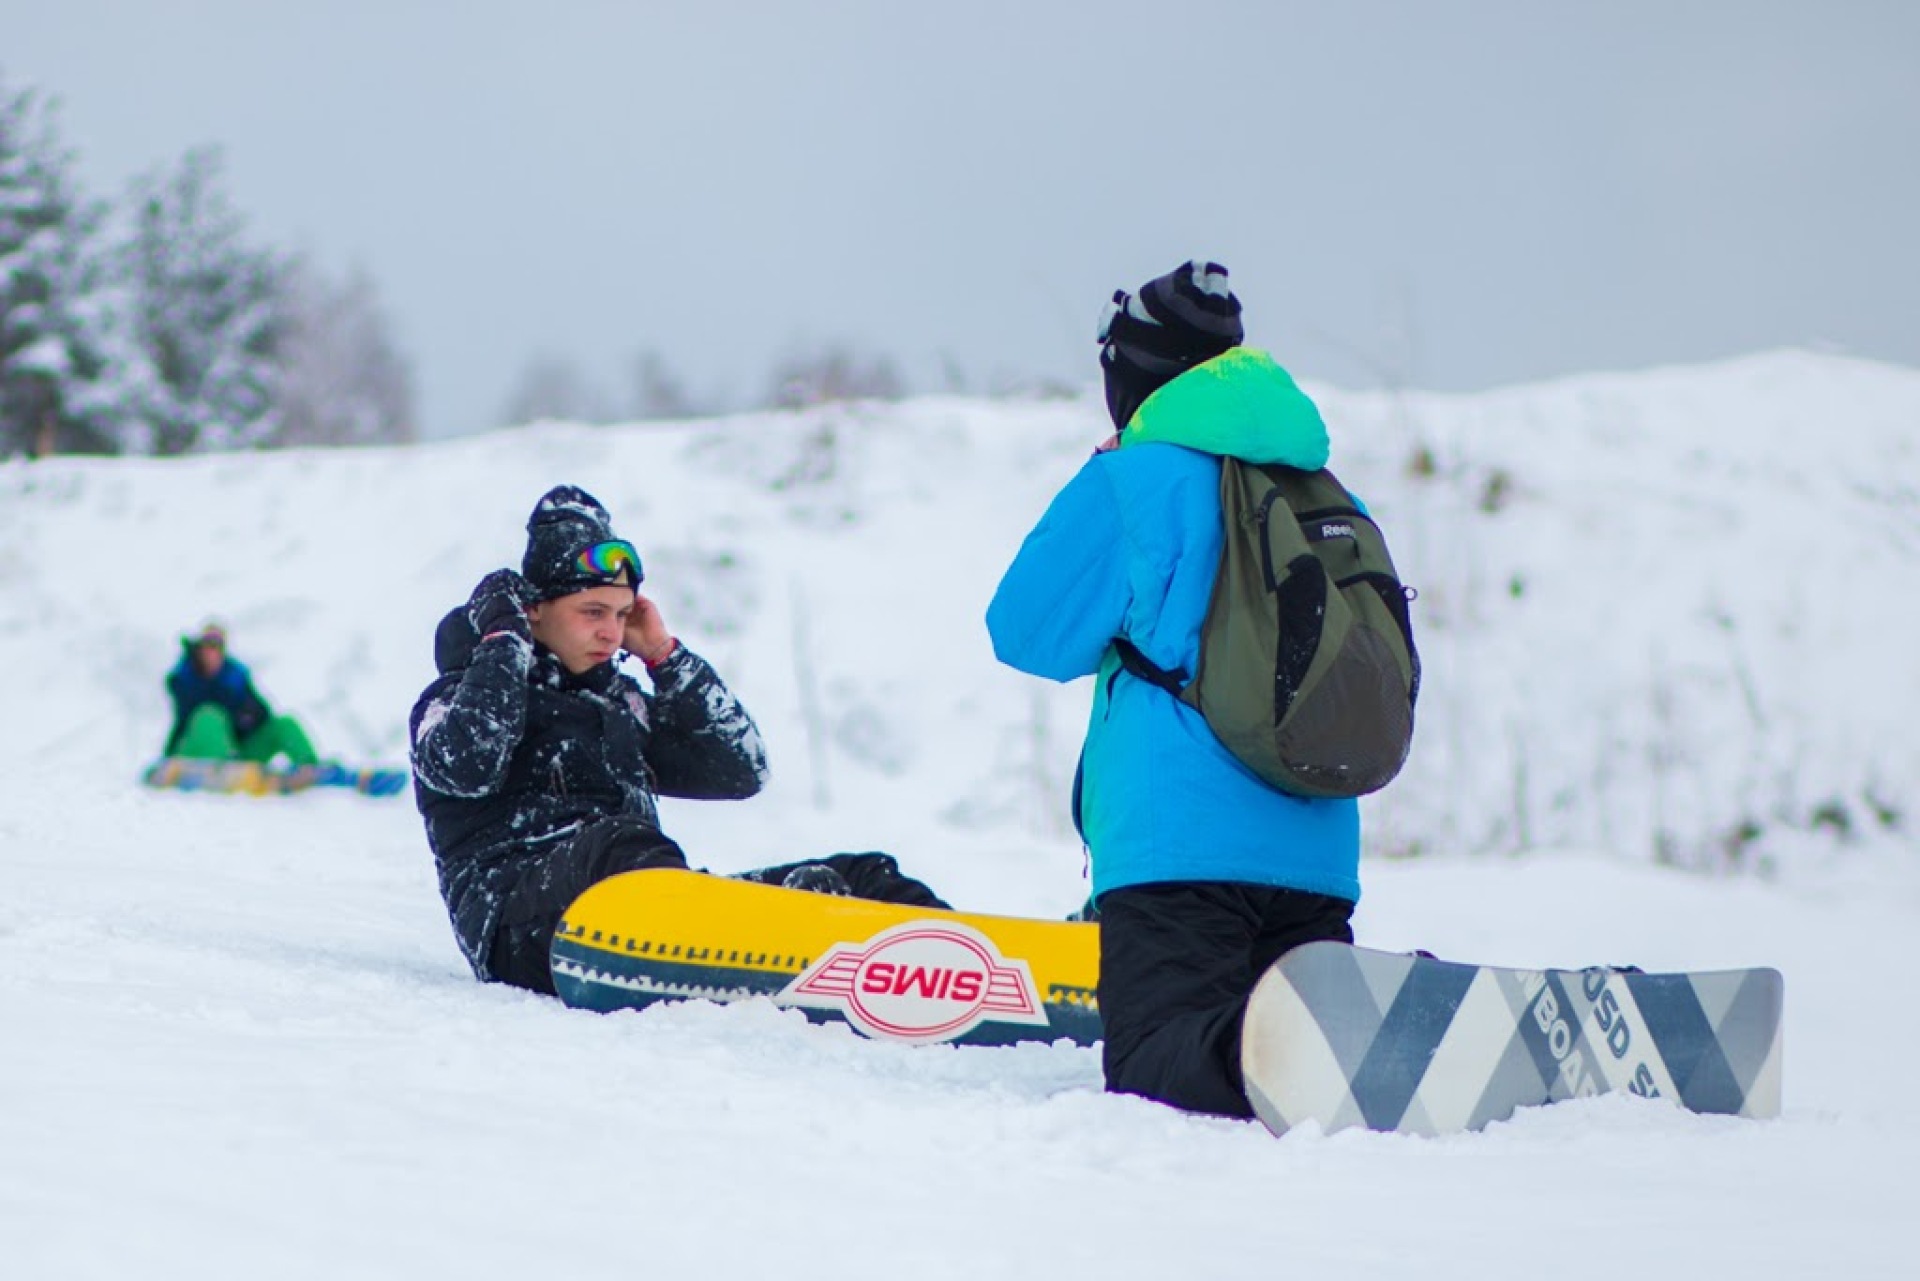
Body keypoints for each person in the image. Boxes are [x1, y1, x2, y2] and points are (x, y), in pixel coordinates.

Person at [986, 260, 1362, 1119]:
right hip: (1318, 849)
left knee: (1160, 1054)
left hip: (1177, 850)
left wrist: (1099, 481)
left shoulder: (1135, 480)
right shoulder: (1321, 487)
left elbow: (1025, 629)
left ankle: (1328, 1045)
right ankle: (1388, 1025)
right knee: (1281, 1055)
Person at [410, 484, 948, 995]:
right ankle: (751, 940)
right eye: (592, 612)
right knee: (619, 843)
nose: (611, 632)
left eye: (621, 614)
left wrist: (664, 656)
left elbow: (741, 771)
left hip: (644, 908)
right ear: (534, 611)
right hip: (519, 934)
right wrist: (503, 637)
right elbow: (469, 764)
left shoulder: (619, 707)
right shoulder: (452, 700)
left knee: (863, 876)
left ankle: (962, 965)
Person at [163, 623, 321, 767]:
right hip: (194, 752)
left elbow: (263, 713)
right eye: (208, 645)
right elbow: (190, 710)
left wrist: (251, 715)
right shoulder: (186, 677)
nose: (212, 651)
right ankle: (218, 766)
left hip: (236, 754)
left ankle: (309, 766)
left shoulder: (236, 677)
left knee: (285, 723)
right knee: (211, 716)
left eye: (218, 646)